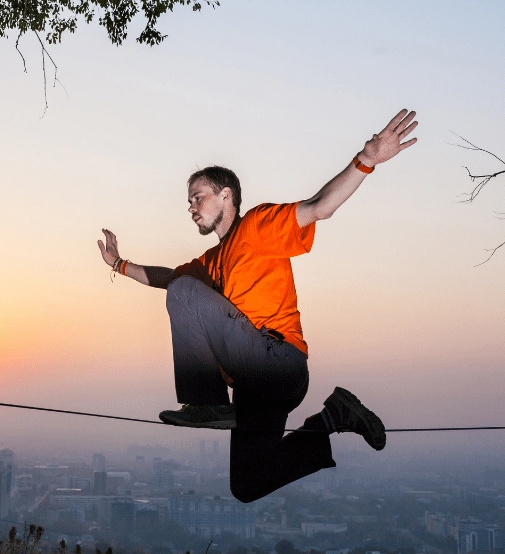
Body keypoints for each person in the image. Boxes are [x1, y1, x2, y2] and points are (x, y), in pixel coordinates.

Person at [97, 110, 418, 502]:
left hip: (277, 360)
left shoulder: (257, 226)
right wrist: (119, 264)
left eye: (198, 197)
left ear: (226, 195)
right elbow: (167, 278)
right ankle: (335, 416)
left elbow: (320, 207)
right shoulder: (210, 263)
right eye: (188, 202)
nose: (191, 207)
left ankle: (206, 403)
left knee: (183, 290)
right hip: (253, 387)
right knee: (247, 484)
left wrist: (366, 159)